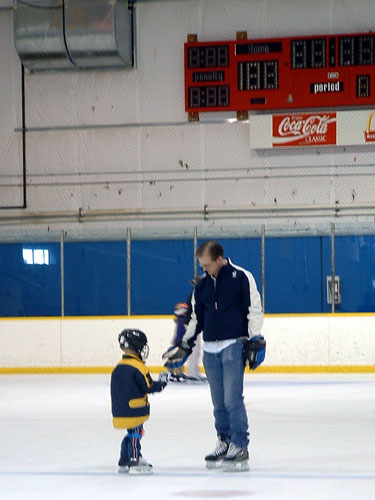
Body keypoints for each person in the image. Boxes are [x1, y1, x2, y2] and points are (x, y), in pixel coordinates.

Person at [163, 240, 265, 472]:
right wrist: (185, 343)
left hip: (233, 345)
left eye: (207, 265)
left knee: (232, 399)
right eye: (201, 265)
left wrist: (255, 338)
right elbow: (196, 319)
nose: (204, 269)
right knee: (218, 402)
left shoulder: (241, 277)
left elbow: (254, 309)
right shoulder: (202, 287)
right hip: (210, 348)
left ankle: (240, 445)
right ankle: (224, 440)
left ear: (220, 259)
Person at [111, 328, 169, 474]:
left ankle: (124, 459)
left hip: (120, 410)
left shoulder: (118, 366)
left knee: (131, 433)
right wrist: (162, 382)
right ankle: (134, 458)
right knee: (136, 433)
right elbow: (149, 386)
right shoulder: (138, 367)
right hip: (135, 410)